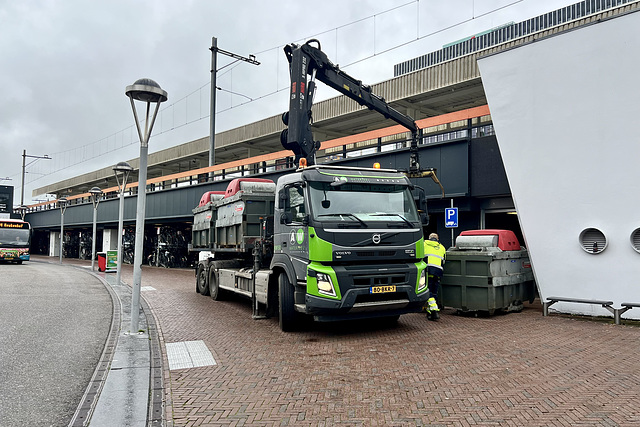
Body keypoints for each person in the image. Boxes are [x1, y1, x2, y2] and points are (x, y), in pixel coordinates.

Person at [424, 233, 446, 321]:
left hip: (428, 270)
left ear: (429, 238)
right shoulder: (442, 247)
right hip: (438, 272)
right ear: (437, 239)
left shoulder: (424, 244)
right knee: (434, 292)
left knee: (427, 291)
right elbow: (443, 261)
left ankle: (434, 309)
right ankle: (430, 313)